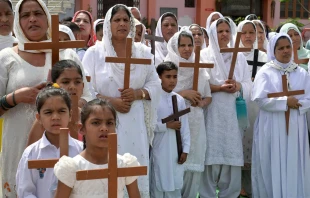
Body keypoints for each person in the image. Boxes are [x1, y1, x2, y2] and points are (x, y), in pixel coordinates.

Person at [0, 1, 92, 196]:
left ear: (48, 18)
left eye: (37, 13)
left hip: (65, 145)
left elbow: (87, 97)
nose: (32, 19)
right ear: (18, 20)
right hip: (18, 143)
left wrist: (68, 100)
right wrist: (14, 98)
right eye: (25, 15)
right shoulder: (7, 58)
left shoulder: (67, 54)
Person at [82, 4, 161, 197]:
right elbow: (85, 89)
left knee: (133, 168)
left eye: (126, 20)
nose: (122, 23)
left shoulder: (143, 52)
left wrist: (138, 93)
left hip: (135, 122)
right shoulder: (94, 53)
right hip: (104, 122)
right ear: (108, 24)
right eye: (117, 20)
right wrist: (110, 102)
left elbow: (155, 84)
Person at [251, 33, 310, 198]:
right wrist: (284, 102)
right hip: (272, 126)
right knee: (272, 164)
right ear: (273, 50)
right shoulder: (266, 72)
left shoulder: (301, 73)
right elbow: (260, 99)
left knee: (294, 164)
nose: (285, 51)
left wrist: (298, 104)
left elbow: (309, 97)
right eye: (281, 48)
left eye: (288, 47)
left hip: (295, 126)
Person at [199, 18, 252, 198]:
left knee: (231, 155)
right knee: (210, 156)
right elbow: (200, 84)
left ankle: (230, 194)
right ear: (213, 33)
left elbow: (248, 83)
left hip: (232, 114)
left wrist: (238, 86)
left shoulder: (239, 57)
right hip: (212, 112)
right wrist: (219, 88)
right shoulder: (204, 55)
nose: (224, 34)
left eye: (227, 31)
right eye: (220, 31)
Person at [54, 99, 141, 198]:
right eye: (96, 123)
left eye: (109, 123)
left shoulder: (125, 164)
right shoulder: (72, 168)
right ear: (82, 129)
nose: (104, 128)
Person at [164, 30, 212, 197]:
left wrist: (201, 102)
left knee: (193, 166)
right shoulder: (167, 66)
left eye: (190, 45)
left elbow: (208, 96)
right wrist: (183, 93)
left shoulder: (199, 65)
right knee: (175, 163)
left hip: (196, 121)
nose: (187, 49)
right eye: (182, 45)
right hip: (174, 122)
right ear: (175, 46)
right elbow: (160, 94)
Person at [16, 86, 83, 198]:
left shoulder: (81, 150)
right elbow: (25, 192)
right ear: (39, 118)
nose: (55, 117)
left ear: (70, 115)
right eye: (48, 112)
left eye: (61, 111)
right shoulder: (31, 154)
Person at [237, 19, 268, 198]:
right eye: (244, 33)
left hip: (258, 109)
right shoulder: (235, 56)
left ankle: (254, 187)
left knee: (255, 147)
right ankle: (239, 186)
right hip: (241, 105)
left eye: (252, 32)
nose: (248, 36)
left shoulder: (264, 57)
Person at [150, 61, 190, 198]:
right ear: (159, 77)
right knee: (159, 182)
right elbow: (149, 124)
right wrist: (166, 126)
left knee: (175, 181)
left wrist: (186, 149)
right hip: (160, 148)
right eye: (168, 76)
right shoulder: (153, 98)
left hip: (175, 150)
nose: (172, 80)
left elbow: (185, 126)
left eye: (175, 76)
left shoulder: (179, 100)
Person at [27, 60, 85, 146]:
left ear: (83, 86)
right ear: (54, 85)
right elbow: (32, 155)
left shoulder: (88, 117)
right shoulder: (44, 120)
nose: (72, 87)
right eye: (65, 82)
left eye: (77, 82)